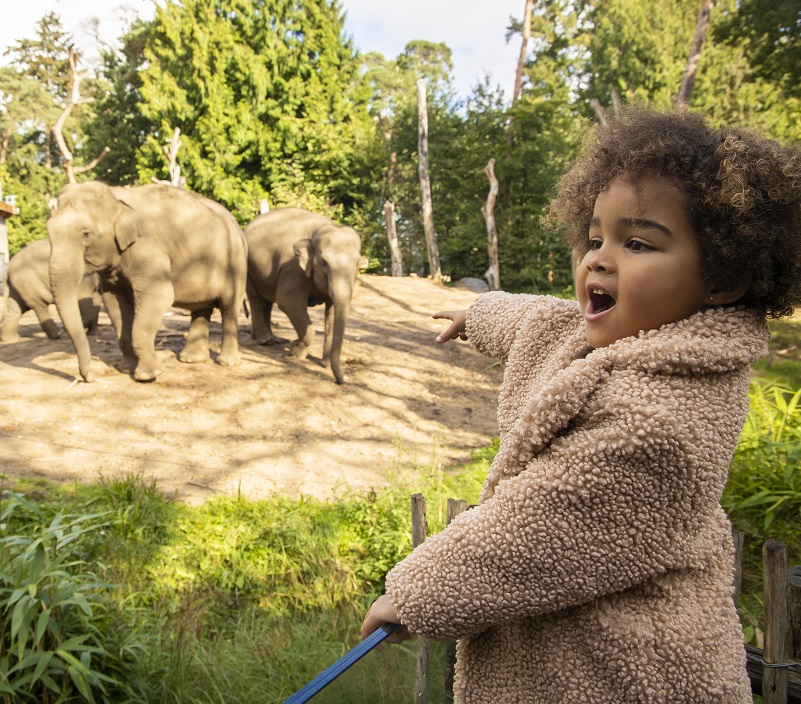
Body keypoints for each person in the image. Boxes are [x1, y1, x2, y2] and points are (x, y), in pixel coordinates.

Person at [361, 107, 801, 703]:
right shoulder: (617, 339)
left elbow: (546, 523)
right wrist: (482, 312)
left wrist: (420, 592)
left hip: (625, 674)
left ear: (722, 279)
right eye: (595, 237)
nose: (597, 257)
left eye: (638, 242)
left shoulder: (664, 420)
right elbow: (540, 321)